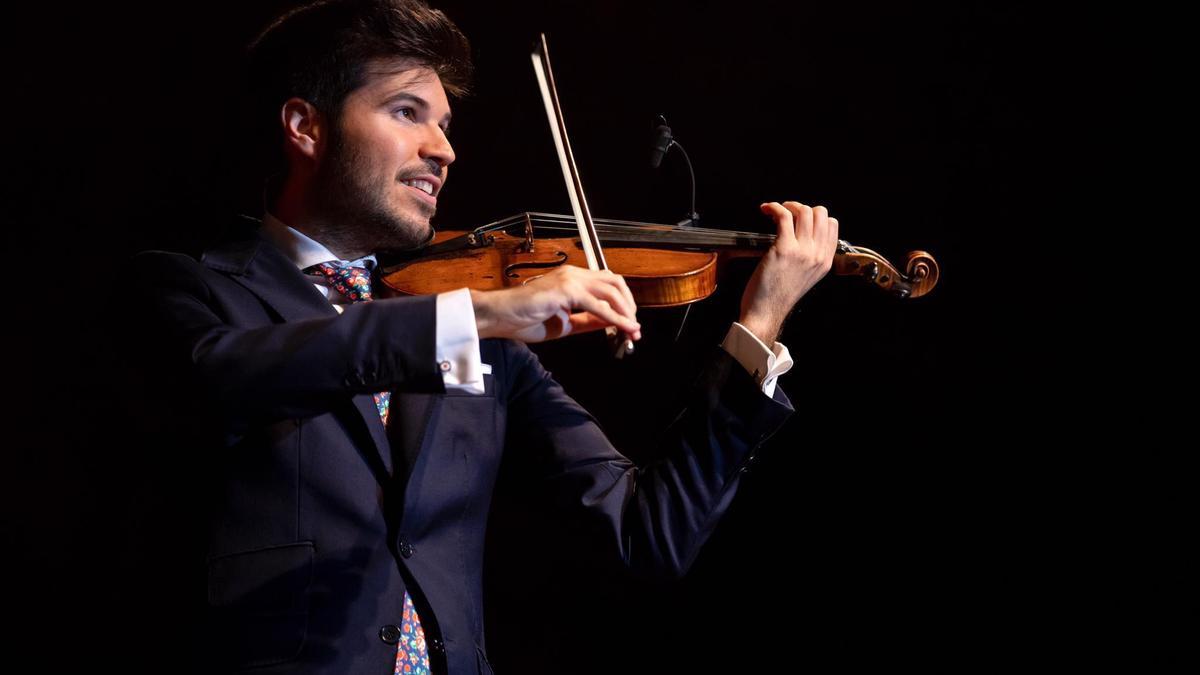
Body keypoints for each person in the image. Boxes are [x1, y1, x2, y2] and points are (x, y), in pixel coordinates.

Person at [123, 0, 839, 672]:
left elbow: (646, 533)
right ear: (305, 126)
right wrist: (482, 313)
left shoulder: (475, 328)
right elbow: (231, 376)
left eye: (445, 124)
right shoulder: (196, 289)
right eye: (407, 113)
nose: (444, 150)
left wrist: (759, 323)